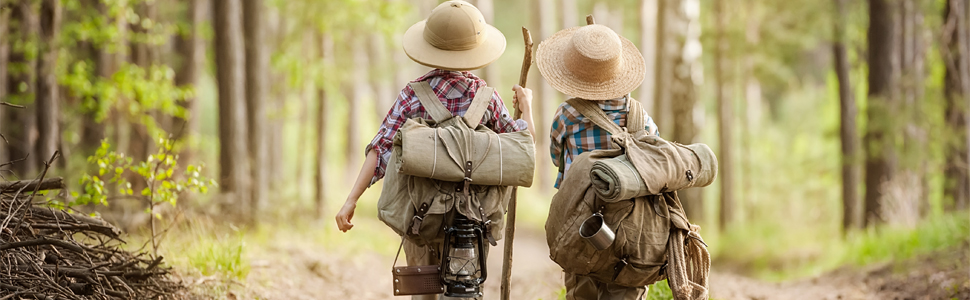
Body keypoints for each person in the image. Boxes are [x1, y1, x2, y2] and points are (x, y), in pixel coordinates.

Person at [334, 1, 535, 299]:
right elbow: (524, 147)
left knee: (424, 293)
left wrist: (350, 200)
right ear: (474, 51)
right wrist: (527, 106)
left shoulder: (412, 96)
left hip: (421, 219)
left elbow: (380, 151)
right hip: (475, 221)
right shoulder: (488, 99)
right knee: (468, 288)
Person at [536, 24, 659, 299]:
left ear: (575, 75)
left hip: (581, 219)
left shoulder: (567, 114)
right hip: (631, 222)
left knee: (582, 284)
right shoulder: (640, 116)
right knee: (626, 286)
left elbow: (556, 154)